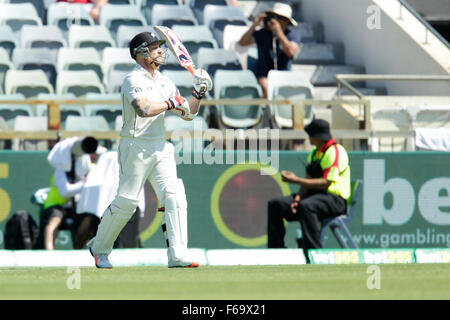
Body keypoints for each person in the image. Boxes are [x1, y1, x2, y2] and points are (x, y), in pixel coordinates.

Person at [87, 31, 213, 269]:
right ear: (141, 53)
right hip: (135, 145)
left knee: (174, 194)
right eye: (155, 47)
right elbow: (143, 109)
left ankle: (177, 256)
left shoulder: (165, 81)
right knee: (127, 203)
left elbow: (188, 114)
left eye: (159, 47)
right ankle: (99, 249)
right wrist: (170, 103)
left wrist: (198, 93)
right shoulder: (132, 80)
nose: (160, 51)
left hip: (161, 146)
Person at [267, 119, 351, 263]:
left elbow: (326, 183)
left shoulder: (335, 152)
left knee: (308, 206)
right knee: (276, 205)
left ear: (317, 136)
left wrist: (295, 180)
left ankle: (314, 253)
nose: (309, 137)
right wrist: (297, 199)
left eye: (310, 134)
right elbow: (308, 180)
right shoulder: (314, 153)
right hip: (315, 196)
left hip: (335, 200)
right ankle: (277, 252)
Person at [38, 136, 100, 250]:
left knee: (90, 219)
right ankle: (48, 253)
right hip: (56, 205)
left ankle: (80, 249)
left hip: (77, 207)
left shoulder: (88, 169)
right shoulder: (60, 170)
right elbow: (65, 192)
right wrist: (85, 185)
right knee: (55, 219)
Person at [238, 2, 300, 98]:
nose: (276, 20)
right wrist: (254, 25)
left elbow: (290, 52)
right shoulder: (263, 33)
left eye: (280, 18)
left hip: (284, 76)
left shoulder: (292, 35)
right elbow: (242, 43)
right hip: (264, 76)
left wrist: (278, 33)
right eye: (274, 17)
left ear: (286, 21)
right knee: (264, 83)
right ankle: (269, 110)